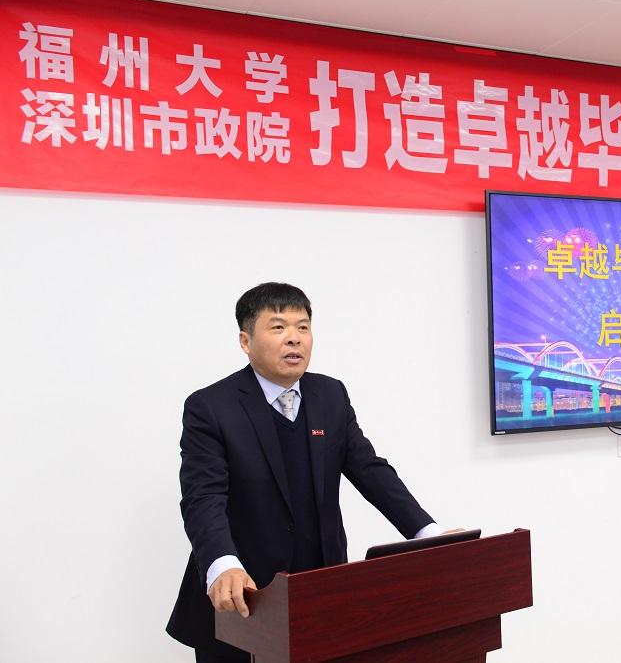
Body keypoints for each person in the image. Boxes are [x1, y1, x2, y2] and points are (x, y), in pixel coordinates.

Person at [166, 282, 442, 662]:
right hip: (244, 596)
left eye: (303, 327)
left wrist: (427, 534)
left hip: (321, 592)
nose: (294, 338)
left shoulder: (330, 395)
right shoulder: (211, 407)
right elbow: (203, 496)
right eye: (278, 327)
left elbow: (370, 470)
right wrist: (222, 563)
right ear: (246, 341)